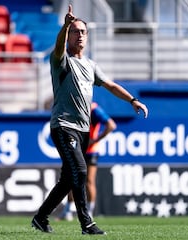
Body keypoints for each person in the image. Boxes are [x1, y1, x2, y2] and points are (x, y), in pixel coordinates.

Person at [31, 4, 148, 235]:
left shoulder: (91, 65)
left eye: (83, 31)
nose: (80, 35)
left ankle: (40, 218)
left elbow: (111, 86)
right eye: (75, 31)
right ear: (68, 35)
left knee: (68, 179)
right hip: (64, 125)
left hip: (83, 130)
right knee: (81, 171)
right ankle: (87, 223)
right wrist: (65, 25)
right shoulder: (61, 61)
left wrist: (133, 100)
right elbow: (57, 47)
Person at [60, 102, 117, 221]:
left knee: (89, 181)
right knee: (71, 179)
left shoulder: (94, 109)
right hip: (77, 148)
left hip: (91, 151)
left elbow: (111, 125)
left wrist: (95, 140)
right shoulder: (73, 107)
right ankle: (68, 211)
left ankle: (89, 212)